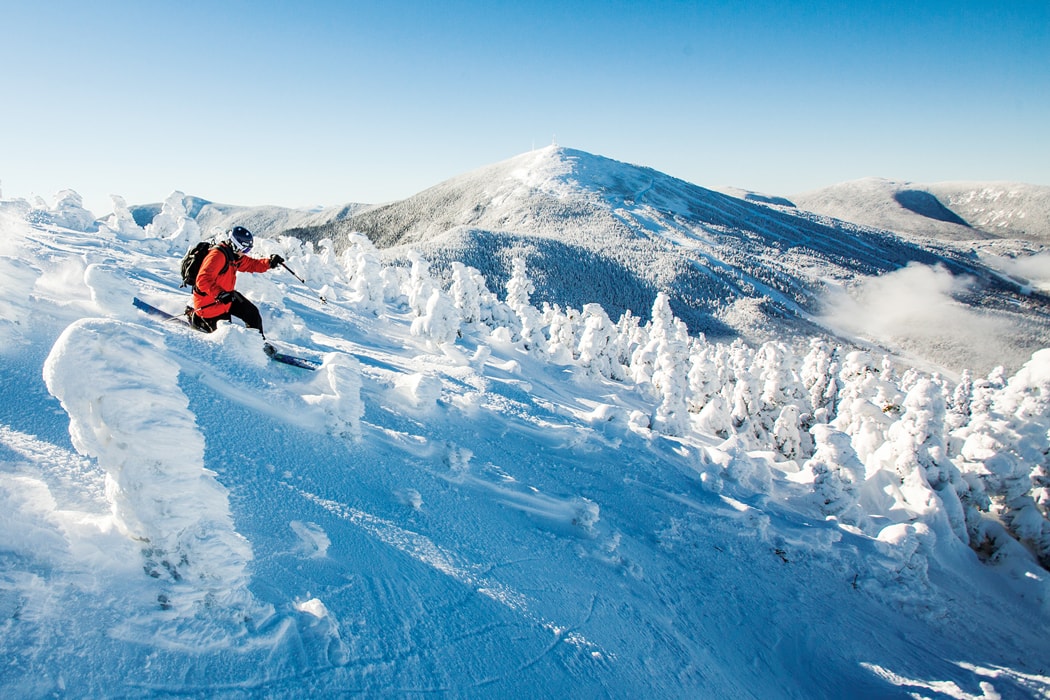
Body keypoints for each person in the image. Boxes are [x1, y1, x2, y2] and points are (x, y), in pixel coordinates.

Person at [188, 226, 284, 337]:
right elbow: (202, 280)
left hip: (226, 298)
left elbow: (251, 264)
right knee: (226, 335)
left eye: (248, 250)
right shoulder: (217, 256)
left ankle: (257, 343)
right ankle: (198, 320)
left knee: (252, 314)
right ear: (235, 245)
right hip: (210, 303)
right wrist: (220, 293)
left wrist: (269, 263)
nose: (245, 253)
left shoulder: (233, 256)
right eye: (245, 249)